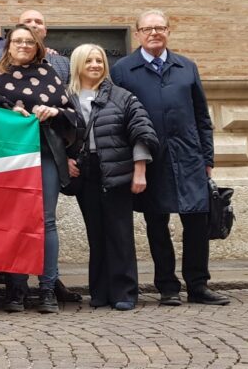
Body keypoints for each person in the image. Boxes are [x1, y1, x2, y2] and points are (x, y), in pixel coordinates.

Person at [111, 10, 229, 306]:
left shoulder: (186, 67)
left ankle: (198, 285)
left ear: (168, 31)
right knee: (157, 223)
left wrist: (208, 159)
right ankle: (167, 287)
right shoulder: (123, 70)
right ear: (137, 33)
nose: (154, 33)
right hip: (151, 159)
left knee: (197, 222)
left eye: (160, 28)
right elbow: (118, 119)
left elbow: (202, 117)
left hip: (189, 156)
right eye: (148, 29)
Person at [0, 24, 81, 314]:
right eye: (17, 41)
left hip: (46, 153)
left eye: (29, 42)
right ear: (8, 45)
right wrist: (5, 110)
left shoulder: (49, 75)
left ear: (37, 46)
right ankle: (16, 289)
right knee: (14, 221)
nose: (23, 46)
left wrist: (55, 112)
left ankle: (47, 288)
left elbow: (71, 112)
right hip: (8, 160)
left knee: (46, 220)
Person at [67, 44, 158, 311]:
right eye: (89, 60)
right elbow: (55, 135)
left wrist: (139, 170)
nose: (95, 65)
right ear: (78, 64)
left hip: (118, 170)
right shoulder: (66, 97)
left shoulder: (121, 96)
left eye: (99, 60)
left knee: (119, 233)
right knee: (96, 234)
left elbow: (143, 131)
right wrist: (65, 160)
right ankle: (100, 292)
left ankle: (124, 292)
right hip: (87, 173)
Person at [0, 10, 70, 83]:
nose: (33, 25)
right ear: (17, 28)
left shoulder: (63, 63)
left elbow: (72, 94)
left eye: (38, 22)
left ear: (45, 31)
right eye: (27, 21)